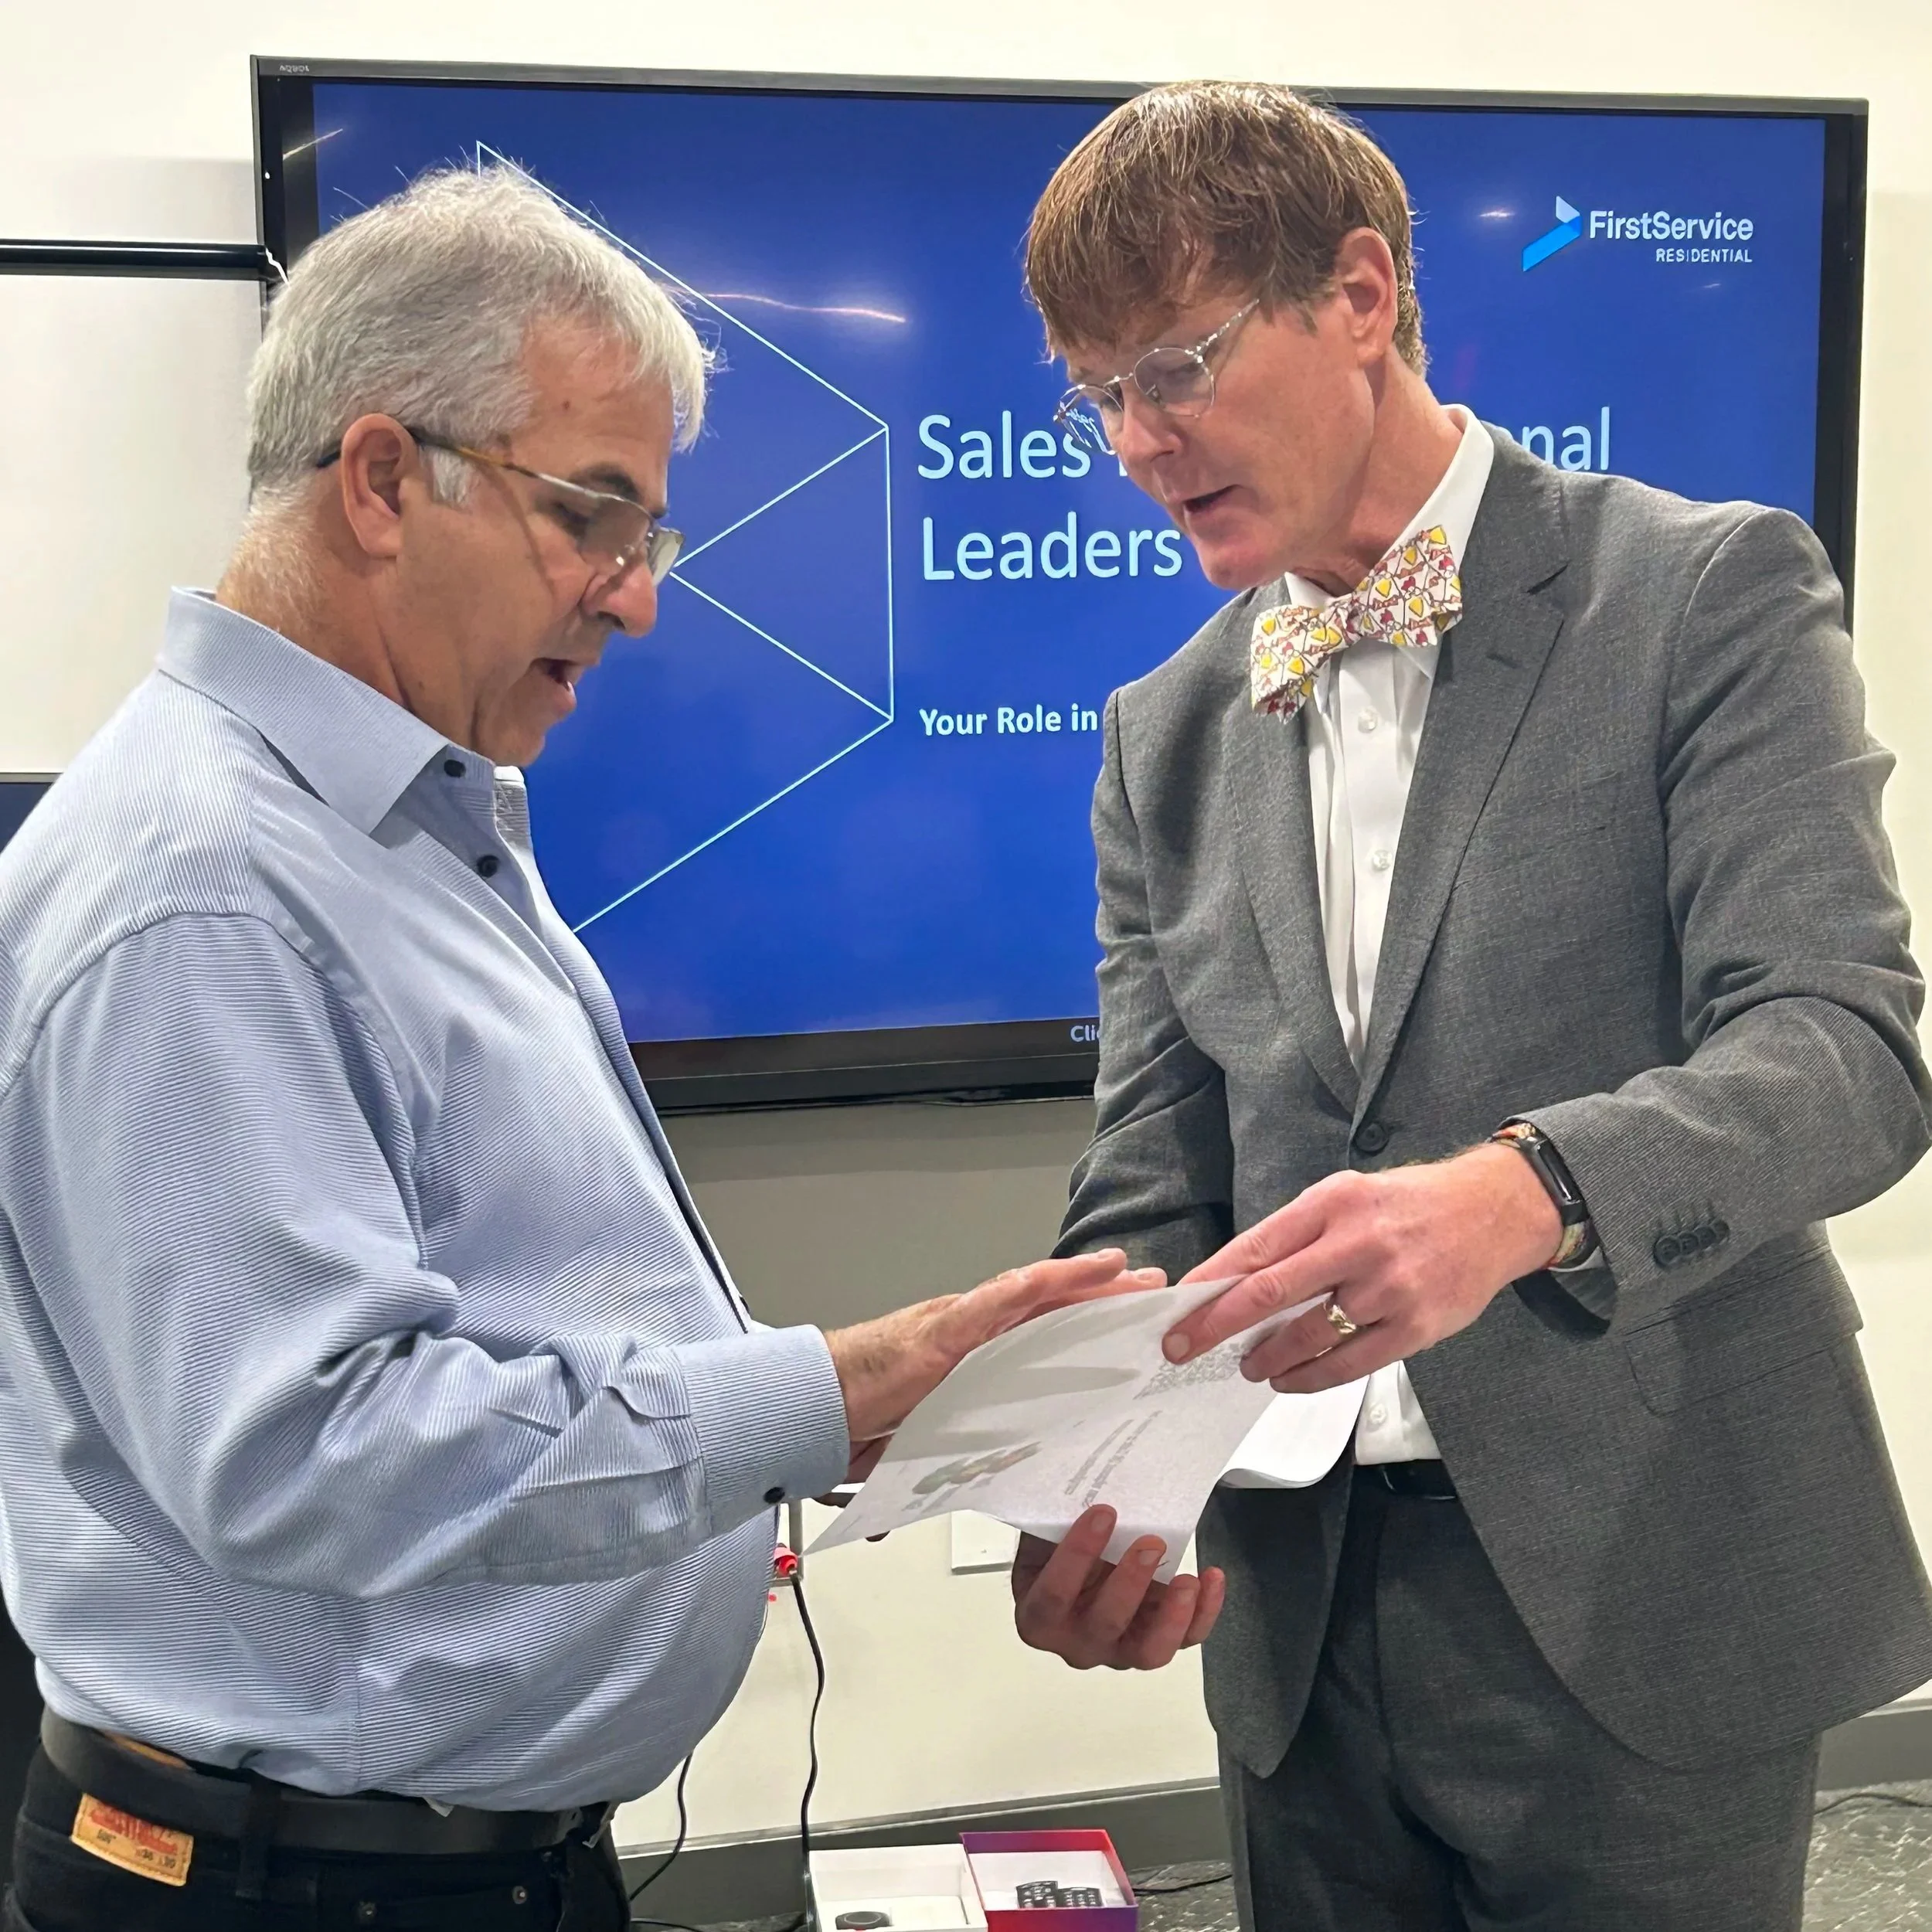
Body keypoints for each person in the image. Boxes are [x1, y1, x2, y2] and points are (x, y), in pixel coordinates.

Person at [0, 166, 1149, 1932]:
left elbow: (528, 1308)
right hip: (292, 1888)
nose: (636, 602)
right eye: (589, 518)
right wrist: (823, 1387)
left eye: (648, 537)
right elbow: (310, 1447)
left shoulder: (408, 821)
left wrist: (895, 1420)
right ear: (381, 477)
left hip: (444, 1865)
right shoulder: (202, 891)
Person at [1006, 80, 1932, 1930]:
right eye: (1093, 390)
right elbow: (1152, 1161)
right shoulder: (1161, 729)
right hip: (1292, 1620)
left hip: (1644, 1590)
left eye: (1172, 361)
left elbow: (1845, 1043)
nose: (1132, 436)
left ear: (1360, 294)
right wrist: (1084, 1470)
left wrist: (1520, 1194)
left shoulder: (1701, 593)